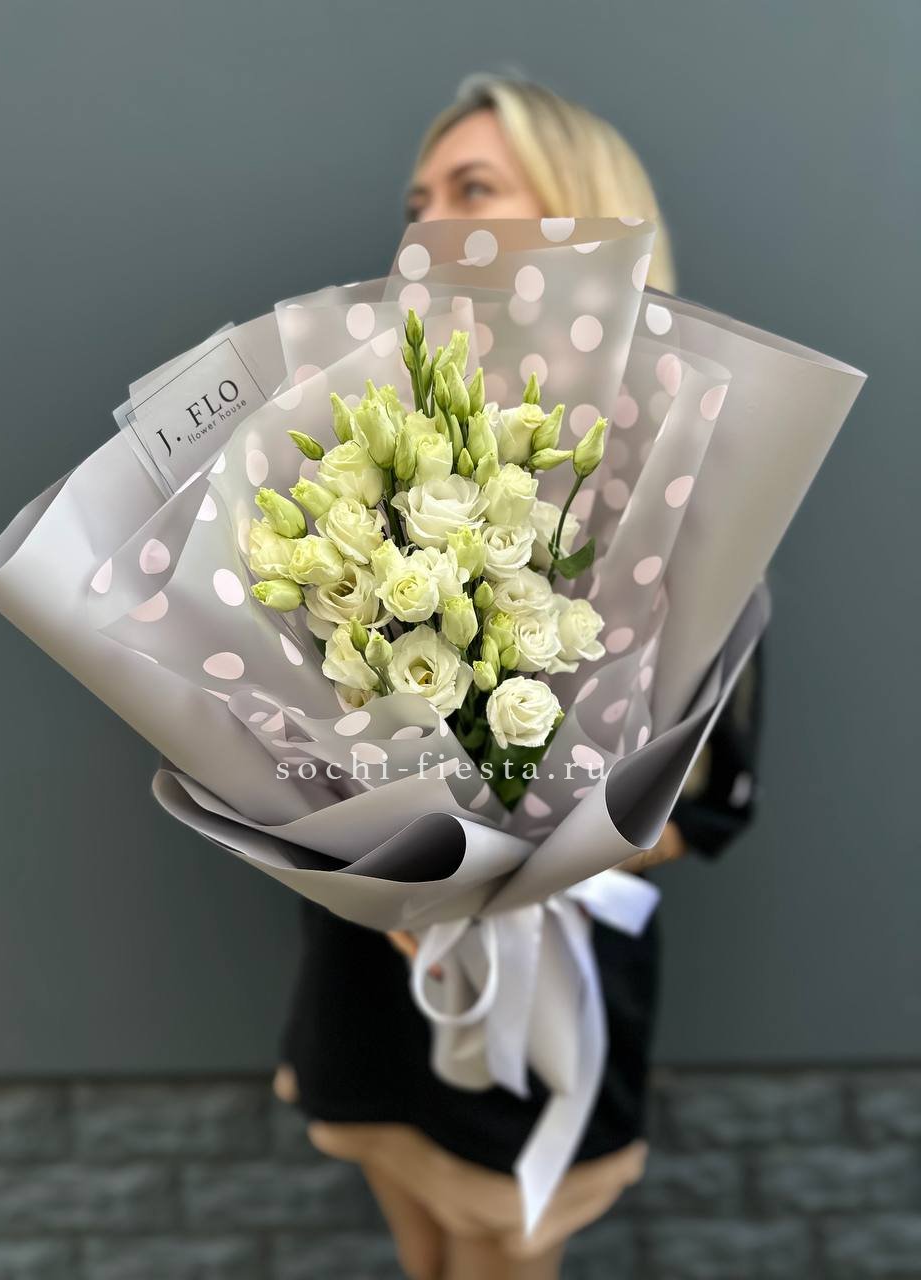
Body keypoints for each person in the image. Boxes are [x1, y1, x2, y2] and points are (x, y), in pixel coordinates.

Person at [274, 75, 763, 1280]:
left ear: (582, 213)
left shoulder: (676, 471)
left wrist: (517, 866)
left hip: (540, 991)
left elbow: (711, 792)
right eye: (418, 200)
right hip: (376, 972)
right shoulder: (374, 443)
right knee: (422, 1246)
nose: (430, 222)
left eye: (474, 187)